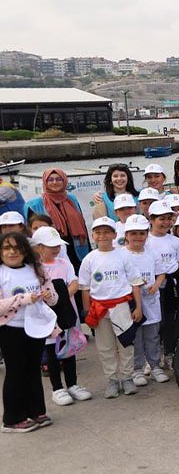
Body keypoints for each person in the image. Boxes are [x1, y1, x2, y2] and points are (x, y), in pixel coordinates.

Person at [79, 217, 145, 399]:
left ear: (115, 234)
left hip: (122, 306)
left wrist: (138, 307)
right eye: (98, 232)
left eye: (107, 231)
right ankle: (112, 379)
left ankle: (127, 377)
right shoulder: (89, 259)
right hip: (99, 308)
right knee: (105, 346)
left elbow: (135, 282)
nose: (103, 236)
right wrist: (86, 312)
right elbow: (85, 288)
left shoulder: (123, 255)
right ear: (92, 235)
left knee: (125, 343)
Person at [0, 231, 58, 432]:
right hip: (11, 330)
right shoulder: (1, 273)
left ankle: (36, 411)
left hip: (36, 328)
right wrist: (24, 299)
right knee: (16, 372)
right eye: (6, 248)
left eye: (17, 248)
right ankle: (12, 418)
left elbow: (54, 298)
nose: (12, 252)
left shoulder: (37, 269)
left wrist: (48, 296)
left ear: (26, 251)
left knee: (33, 369)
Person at [32, 226, 90, 407]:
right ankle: (57, 388)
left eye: (58, 245)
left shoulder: (64, 263)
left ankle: (72, 384)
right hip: (47, 315)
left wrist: (63, 296)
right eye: (51, 246)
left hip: (65, 311)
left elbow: (73, 282)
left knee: (69, 350)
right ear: (39, 247)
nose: (56, 249)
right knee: (52, 352)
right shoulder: (34, 267)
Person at [122, 215, 167, 388]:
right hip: (132, 303)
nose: (138, 237)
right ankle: (137, 369)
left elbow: (161, 272)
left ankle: (155, 366)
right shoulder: (122, 254)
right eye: (133, 233)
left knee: (152, 336)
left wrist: (156, 285)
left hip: (151, 301)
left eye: (141, 233)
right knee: (137, 337)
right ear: (126, 235)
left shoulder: (152, 253)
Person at [146, 200, 179, 366]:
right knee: (155, 322)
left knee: (170, 321)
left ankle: (169, 354)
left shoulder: (175, 241)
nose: (164, 223)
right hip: (152, 286)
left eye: (168, 219)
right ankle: (151, 359)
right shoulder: (145, 240)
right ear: (152, 219)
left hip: (172, 286)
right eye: (160, 219)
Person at [26, 168, 91, 269]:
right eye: (50, 180)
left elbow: (82, 225)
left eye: (58, 179)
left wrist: (89, 251)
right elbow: (32, 232)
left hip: (76, 248)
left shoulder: (72, 199)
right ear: (45, 182)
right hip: (51, 250)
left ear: (64, 181)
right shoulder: (34, 204)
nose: (55, 182)